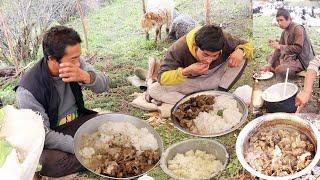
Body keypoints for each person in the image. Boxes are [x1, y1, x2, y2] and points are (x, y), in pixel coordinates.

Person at [15, 26, 109, 177]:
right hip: (51, 135)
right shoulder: (28, 91)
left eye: (78, 57)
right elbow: (43, 134)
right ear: (52, 59)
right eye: (73, 60)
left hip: (76, 122)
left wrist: (86, 77)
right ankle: (100, 153)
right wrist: (78, 145)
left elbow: (104, 84)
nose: (78, 63)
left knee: (109, 122)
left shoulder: (76, 61)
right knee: (46, 163)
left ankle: (94, 155)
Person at [146, 25, 253, 105]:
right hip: (189, 81)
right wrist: (186, 71)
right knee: (154, 89)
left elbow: (247, 45)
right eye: (205, 55)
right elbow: (161, 77)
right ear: (195, 46)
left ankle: (219, 94)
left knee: (241, 56)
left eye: (215, 55)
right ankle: (192, 101)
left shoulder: (223, 38)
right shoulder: (178, 48)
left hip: (214, 77)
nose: (209, 60)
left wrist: (241, 51)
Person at [261, 8, 314, 78]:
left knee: (280, 70)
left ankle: (279, 69)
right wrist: (269, 64)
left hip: (301, 60)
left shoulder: (298, 28)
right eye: (277, 21)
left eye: (281, 20)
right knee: (270, 57)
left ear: (289, 19)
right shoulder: (284, 31)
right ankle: (278, 67)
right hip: (290, 57)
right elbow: (278, 49)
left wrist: (280, 46)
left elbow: (298, 49)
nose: (279, 23)